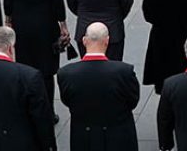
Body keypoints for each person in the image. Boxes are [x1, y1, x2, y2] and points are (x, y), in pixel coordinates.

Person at [3, 0, 68, 113]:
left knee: (25, 68)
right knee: (46, 73)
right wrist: (63, 26)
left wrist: (8, 22)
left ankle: (28, 108)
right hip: (46, 28)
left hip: (22, 27)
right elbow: (57, 2)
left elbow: (8, 0)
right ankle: (48, 110)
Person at [58, 22, 141, 151]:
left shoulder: (66, 74)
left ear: (84, 41)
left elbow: (67, 100)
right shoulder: (124, 72)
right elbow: (133, 100)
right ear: (107, 41)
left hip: (84, 139)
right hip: (118, 138)